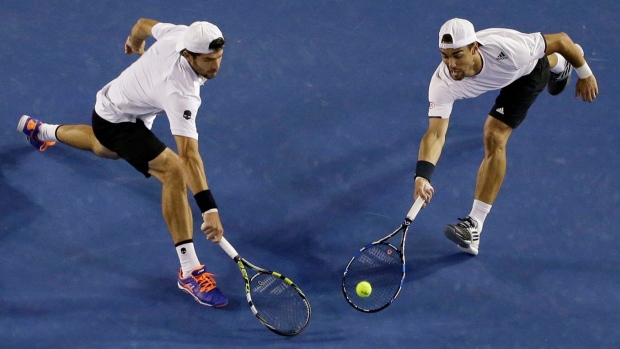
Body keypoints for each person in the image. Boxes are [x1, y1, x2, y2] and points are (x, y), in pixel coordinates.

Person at [17, 18, 230, 307]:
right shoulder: (181, 92)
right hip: (117, 118)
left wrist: (135, 42)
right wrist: (209, 209)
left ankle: (39, 129)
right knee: (173, 171)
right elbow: (189, 156)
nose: (215, 66)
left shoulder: (180, 35)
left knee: (104, 148)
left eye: (218, 57)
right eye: (208, 60)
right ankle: (190, 270)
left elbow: (143, 24)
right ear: (187, 55)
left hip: (124, 103)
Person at [413, 18, 599, 256]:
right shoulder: (442, 82)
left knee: (494, 134)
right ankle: (558, 64)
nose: (451, 64)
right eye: (444, 56)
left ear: (474, 48)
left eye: (457, 55)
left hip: (526, 72)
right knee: (538, 61)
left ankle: (475, 223)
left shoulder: (512, 50)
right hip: (514, 68)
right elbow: (436, 134)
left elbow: (562, 39)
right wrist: (422, 176)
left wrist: (586, 74)